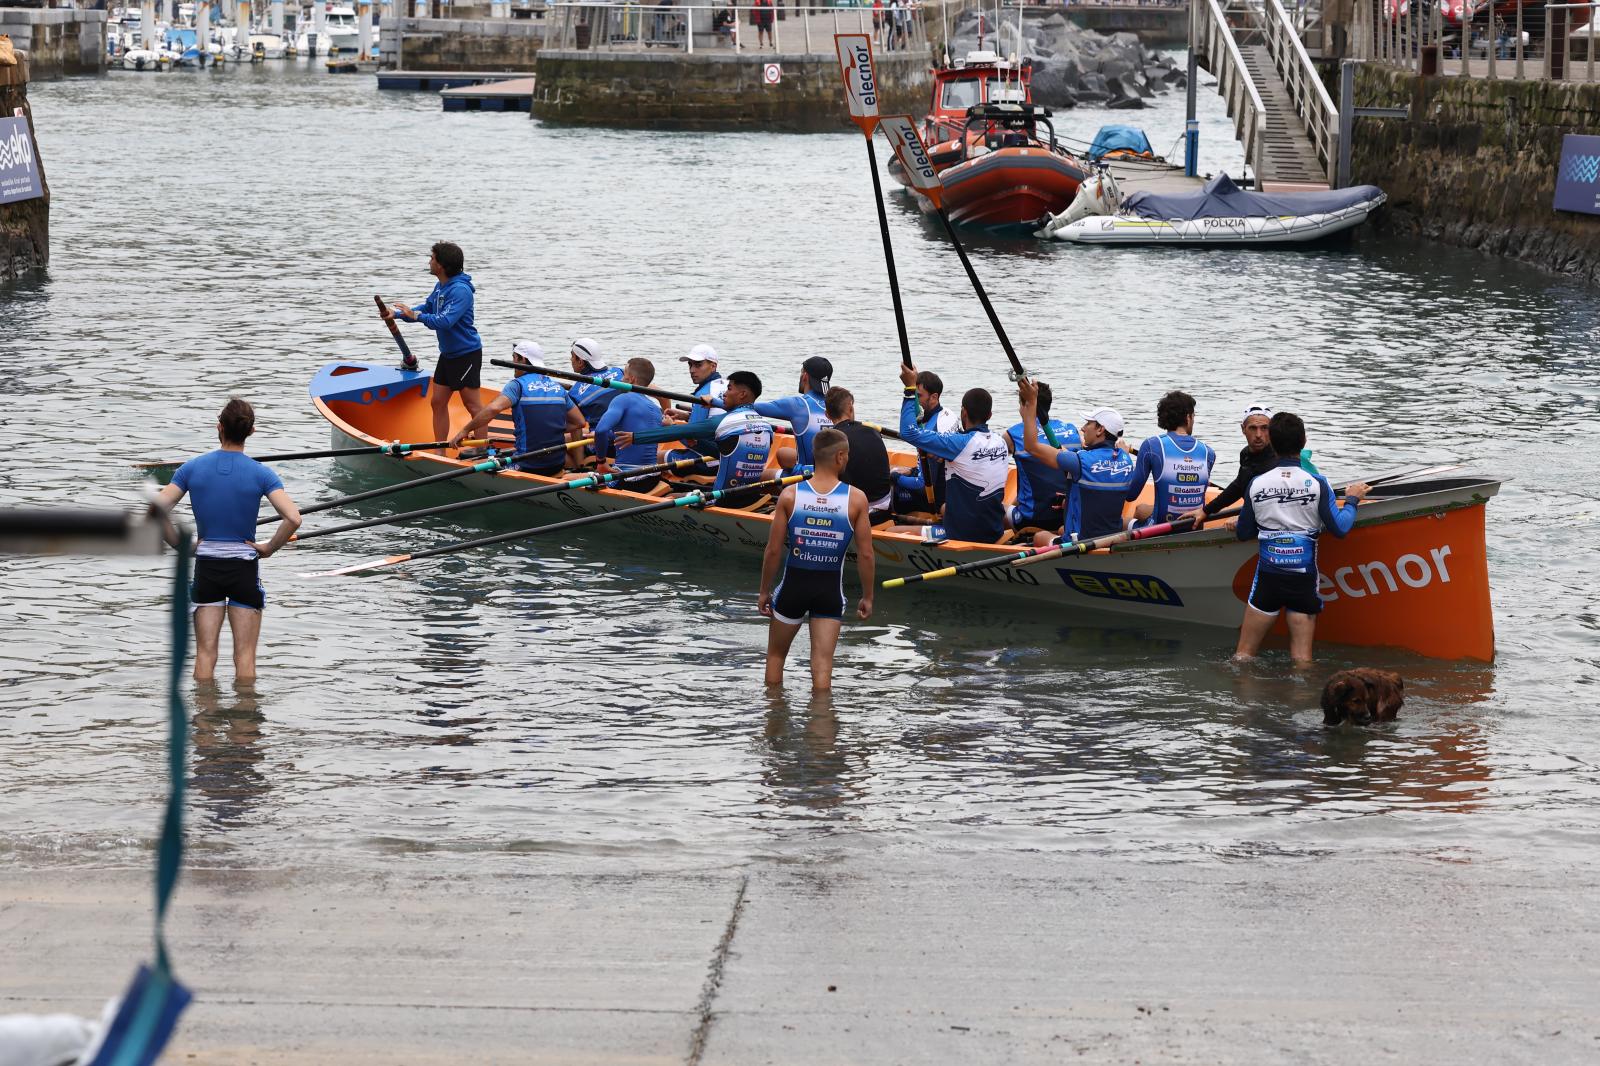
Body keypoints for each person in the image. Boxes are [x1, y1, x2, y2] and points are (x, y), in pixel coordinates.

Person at [154, 398, 301, 683]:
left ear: (218, 427)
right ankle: (244, 723)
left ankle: (204, 723)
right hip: (243, 570)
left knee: (205, 655)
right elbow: (293, 518)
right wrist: (269, 548)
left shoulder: (191, 469)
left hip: (207, 568)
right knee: (244, 657)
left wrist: (182, 546)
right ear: (252, 431)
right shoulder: (262, 473)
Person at [1233, 412, 1370, 664]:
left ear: (1272, 441)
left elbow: (1244, 533)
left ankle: (1244, 701)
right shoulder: (1317, 483)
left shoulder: (1256, 483)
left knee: (1243, 656)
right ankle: (1301, 700)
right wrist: (1352, 499)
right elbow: (1340, 529)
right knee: (1302, 661)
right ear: (1304, 441)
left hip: (1268, 579)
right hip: (1303, 580)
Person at [760, 428, 875, 691]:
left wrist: (764, 591)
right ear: (841, 457)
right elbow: (867, 554)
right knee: (823, 664)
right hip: (829, 590)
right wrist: (868, 596)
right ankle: (821, 726)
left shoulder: (790, 495)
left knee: (776, 657)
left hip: (792, 589)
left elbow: (773, 551)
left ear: (814, 455)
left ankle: (772, 722)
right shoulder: (855, 499)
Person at [889, 364, 1010, 543]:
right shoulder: (1001, 442)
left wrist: (909, 389)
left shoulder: (958, 444)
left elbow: (909, 433)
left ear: (964, 412)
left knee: (892, 529)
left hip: (962, 534)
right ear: (990, 415)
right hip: (993, 528)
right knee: (945, 508)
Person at [387, 241, 485, 444]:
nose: (429, 261)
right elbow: (428, 307)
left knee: (473, 405)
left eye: (432, 258)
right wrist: (396, 314)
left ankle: (481, 448)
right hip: (448, 355)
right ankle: (440, 449)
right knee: (437, 402)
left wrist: (415, 315)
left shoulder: (460, 291)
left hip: (466, 355)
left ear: (441, 265)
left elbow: (445, 321)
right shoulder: (441, 286)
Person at [1016, 380, 1135, 546]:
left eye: (1088, 423)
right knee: (1061, 528)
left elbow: (1031, 446)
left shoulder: (1080, 462)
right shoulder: (1126, 459)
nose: (1083, 428)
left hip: (1080, 545)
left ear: (1100, 430)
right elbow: (1130, 495)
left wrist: (1031, 404)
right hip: (1111, 539)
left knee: (1039, 537)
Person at [616, 370, 773, 491]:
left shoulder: (724, 422)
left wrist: (635, 437)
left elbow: (679, 432)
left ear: (742, 394)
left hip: (723, 499)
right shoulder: (766, 425)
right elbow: (725, 454)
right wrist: (698, 444)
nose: (725, 393)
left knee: (670, 495)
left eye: (729, 389)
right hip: (750, 495)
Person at [448, 341, 585, 473]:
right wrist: (552, 429)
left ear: (522, 359)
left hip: (526, 465)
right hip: (556, 464)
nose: (513, 363)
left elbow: (493, 409)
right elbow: (579, 422)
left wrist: (465, 430)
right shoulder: (558, 388)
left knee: (471, 463)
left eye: (514, 358)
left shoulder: (517, 386)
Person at [1125, 389, 1216, 528]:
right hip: (1194, 529)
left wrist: (1124, 456)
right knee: (1142, 509)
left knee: (1123, 522)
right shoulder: (1208, 452)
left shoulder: (1151, 446)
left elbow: (1130, 494)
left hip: (1159, 530)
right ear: (1188, 417)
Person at [1180, 402, 1278, 529]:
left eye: (1264, 428)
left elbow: (1278, 501)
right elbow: (1238, 486)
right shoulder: (1246, 453)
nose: (1258, 435)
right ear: (1243, 429)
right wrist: (1206, 511)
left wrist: (1244, 517)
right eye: (1253, 428)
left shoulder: (1278, 458)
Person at [1004, 381, 1080, 535]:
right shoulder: (1072, 431)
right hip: (1066, 517)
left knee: (997, 508)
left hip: (1031, 520)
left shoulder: (1013, 435)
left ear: (1026, 406)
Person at [891, 369, 960, 518]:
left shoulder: (933, 429)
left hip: (936, 500)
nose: (916, 400)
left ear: (934, 397)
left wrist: (895, 478)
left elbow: (922, 485)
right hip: (950, 487)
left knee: (887, 485)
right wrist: (911, 471)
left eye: (919, 396)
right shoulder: (948, 414)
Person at [825, 386, 894, 523]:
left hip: (855, 512)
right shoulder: (873, 431)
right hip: (885, 508)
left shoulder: (828, 441)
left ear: (827, 415)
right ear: (850, 409)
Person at [754, 356, 834, 473]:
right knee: (783, 453)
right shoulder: (837, 403)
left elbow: (750, 406)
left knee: (760, 476)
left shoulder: (799, 404)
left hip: (809, 475)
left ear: (805, 376)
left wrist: (719, 402)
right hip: (834, 472)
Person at [591, 356, 667, 476]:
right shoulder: (657, 410)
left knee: (568, 476)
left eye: (624, 375)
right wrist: (609, 435)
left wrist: (601, 461)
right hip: (653, 476)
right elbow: (636, 431)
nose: (621, 379)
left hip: (628, 477)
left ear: (631, 379)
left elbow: (601, 430)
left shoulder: (622, 399)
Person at [664, 343, 727, 470]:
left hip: (710, 462)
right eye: (690, 364)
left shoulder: (703, 394)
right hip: (728, 456)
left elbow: (691, 440)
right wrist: (688, 416)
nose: (692, 370)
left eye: (698, 365)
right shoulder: (727, 385)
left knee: (658, 456)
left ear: (713, 366)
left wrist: (671, 427)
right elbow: (715, 416)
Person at [567, 338, 623, 429]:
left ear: (580, 362)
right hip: (631, 427)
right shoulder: (621, 372)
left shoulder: (574, 393)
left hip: (601, 438)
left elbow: (575, 424)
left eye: (572, 356)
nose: (570, 359)